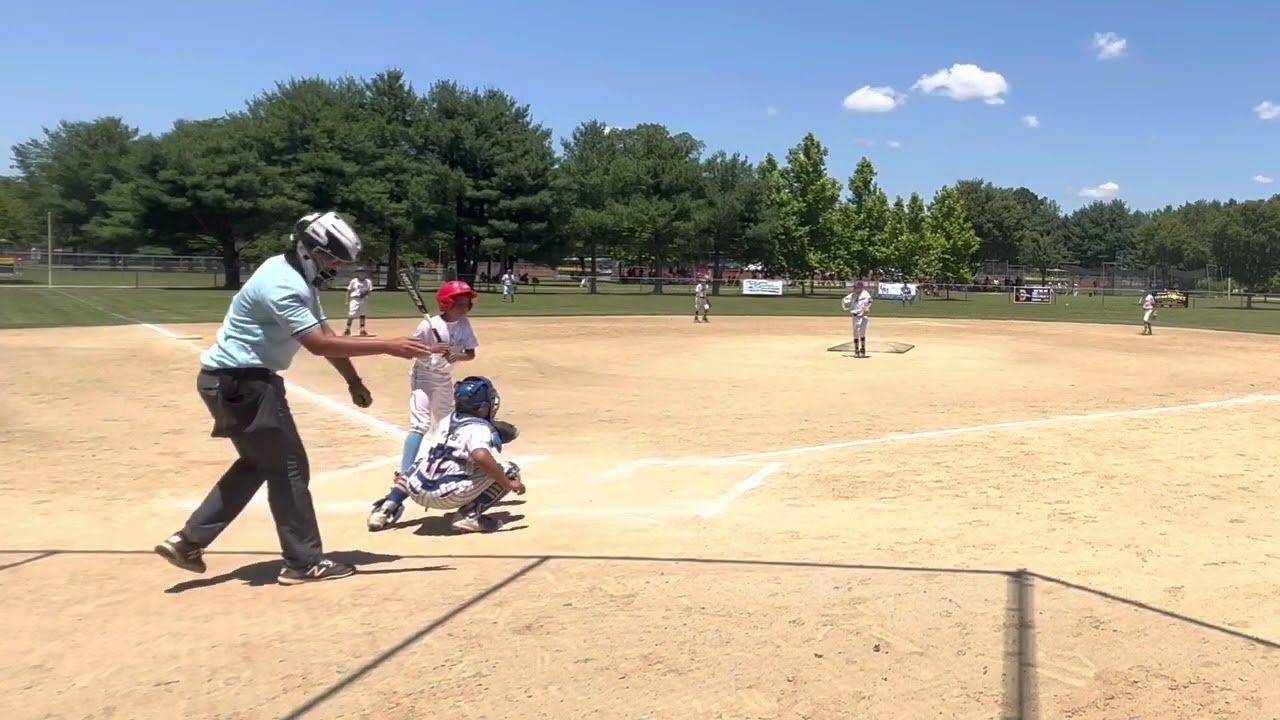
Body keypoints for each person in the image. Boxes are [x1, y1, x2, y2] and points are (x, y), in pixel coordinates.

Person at [154, 211, 432, 585]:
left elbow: (327, 335)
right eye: (333, 259)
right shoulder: (283, 284)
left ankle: (188, 541)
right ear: (309, 250)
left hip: (231, 381)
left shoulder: (297, 278)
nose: (336, 267)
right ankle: (303, 562)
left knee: (258, 464)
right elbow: (318, 344)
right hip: (245, 383)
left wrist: (353, 380)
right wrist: (388, 345)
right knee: (288, 468)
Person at [368, 376, 525, 533]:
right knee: (508, 470)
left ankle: (386, 507)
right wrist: (507, 483)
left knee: (422, 464)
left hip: (415, 489)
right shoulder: (480, 429)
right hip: (448, 495)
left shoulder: (446, 420)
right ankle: (469, 515)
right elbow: (480, 456)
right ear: (483, 408)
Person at [398, 280, 480, 478]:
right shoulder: (428, 326)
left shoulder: (464, 324)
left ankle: (446, 464)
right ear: (446, 304)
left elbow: (470, 354)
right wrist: (430, 349)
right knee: (420, 423)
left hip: (444, 378)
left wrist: (456, 355)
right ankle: (404, 472)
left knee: (447, 423)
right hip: (424, 377)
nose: (465, 308)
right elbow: (410, 351)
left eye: (467, 304)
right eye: (460, 304)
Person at [841, 282, 873, 358]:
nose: (854, 288)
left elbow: (870, 300)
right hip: (856, 316)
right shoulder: (852, 295)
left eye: (856, 287)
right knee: (856, 333)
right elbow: (843, 301)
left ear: (861, 288)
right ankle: (856, 350)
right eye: (854, 287)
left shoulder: (865, 293)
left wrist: (867, 307)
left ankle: (863, 349)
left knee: (862, 332)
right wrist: (845, 307)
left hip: (864, 315)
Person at [344, 266, 373, 336]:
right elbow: (348, 290)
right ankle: (347, 329)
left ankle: (362, 330)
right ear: (357, 273)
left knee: (363, 314)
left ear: (365, 273)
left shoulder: (368, 281)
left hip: (364, 299)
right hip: (355, 299)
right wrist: (346, 300)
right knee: (351, 314)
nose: (361, 273)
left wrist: (365, 293)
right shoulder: (353, 281)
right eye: (359, 272)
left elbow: (370, 290)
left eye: (363, 272)